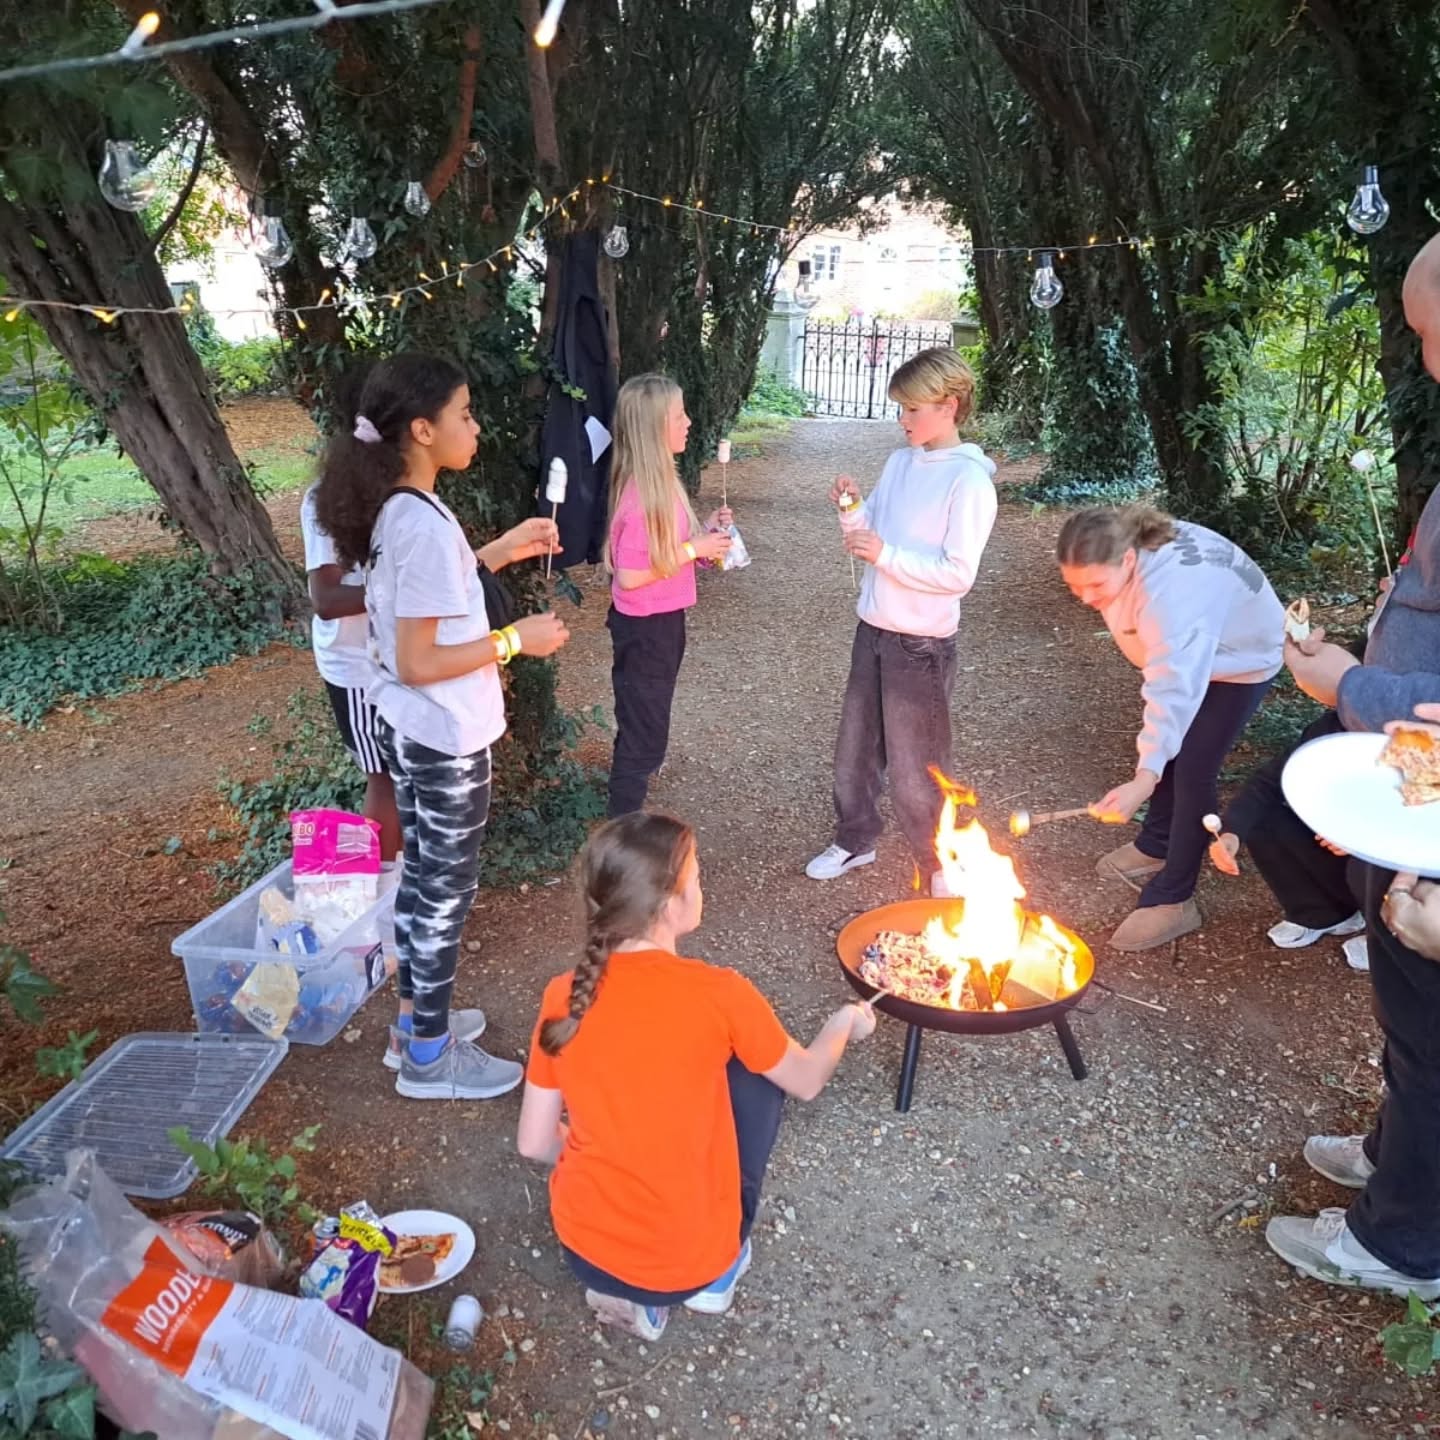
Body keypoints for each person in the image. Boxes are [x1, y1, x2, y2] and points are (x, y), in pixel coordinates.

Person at [314, 353, 571, 1099]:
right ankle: (428, 1055)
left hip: (417, 729)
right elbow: (419, 656)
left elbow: (432, 593)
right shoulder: (416, 519)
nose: (475, 425)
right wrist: (517, 640)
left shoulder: (410, 507)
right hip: (442, 735)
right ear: (421, 429)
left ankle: (413, 1025)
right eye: (463, 413)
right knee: (441, 893)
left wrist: (502, 549)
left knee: (424, 880)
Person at [516, 813, 876, 1341]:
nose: (703, 886)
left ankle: (634, 1298)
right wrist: (843, 1023)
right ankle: (713, 1281)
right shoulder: (719, 993)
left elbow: (533, 1143)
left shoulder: (562, 995)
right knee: (758, 1077)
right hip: (690, 1261)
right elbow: (806, 1080)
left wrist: (583, 1144)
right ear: (670, 903)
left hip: (585, 1249)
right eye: (698, 877)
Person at [1265, 230, 1440, 1298]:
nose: (1425, 363)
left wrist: (1344, 689)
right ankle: (1394, 1160)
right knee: (1409, 1022)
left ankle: (1400, 1244)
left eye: (1431, 336)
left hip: (1431, 814)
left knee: (1430, 1033)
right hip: (1405, 791)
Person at [805, 347, 997, 895]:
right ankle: (855, 839)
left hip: (922, 644)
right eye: (901, 408)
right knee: (856, 748)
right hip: (874, 630)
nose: (902, 419)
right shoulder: (900, 462)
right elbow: (869, 537)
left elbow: (957, 575)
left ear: (950, 406)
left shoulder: (970, 482)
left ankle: (938, 863)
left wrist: (885, 554)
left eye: (913, 409)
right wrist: (851, 508)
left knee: (920, 766)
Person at [1057, 507, 1284, 950]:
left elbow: (1173, 690)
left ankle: (1175, 898)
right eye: (1074, 586)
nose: (1085, 598)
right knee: (1170, 752)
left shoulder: (1172, 597)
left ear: (1127, 561)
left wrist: (1145, 778)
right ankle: (1157, 843)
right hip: (1199, 651)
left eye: (1095, 585)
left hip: (1242, 660)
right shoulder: (1125, 552)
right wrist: (1154, 763)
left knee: (1194, 767)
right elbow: (1170, 679)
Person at [603, 375, 733, 817]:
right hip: (645, 628)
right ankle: (623, 833)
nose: (689, 423)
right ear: (655, 428)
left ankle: (628, 814)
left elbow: (668, 552)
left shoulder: (663, 486)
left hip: (662, 620)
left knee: (644, 720)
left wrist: (704, 536)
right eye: (679, 416)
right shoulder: (642, 498)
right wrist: (695, 548)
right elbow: (632, 575)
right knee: (644, 731)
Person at [300, 484, 401, 860]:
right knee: (384, 777)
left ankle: (400, 882)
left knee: (404, 775)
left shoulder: (404, 494)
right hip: (358, 667)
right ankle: (383, 891)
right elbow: (324, 601)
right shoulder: (325, 497)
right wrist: (398, 590)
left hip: (401, 657)